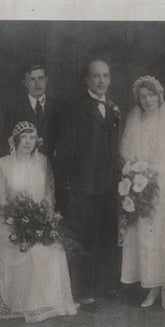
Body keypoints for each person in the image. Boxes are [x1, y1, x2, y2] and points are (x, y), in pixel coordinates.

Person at [0, 121, 78, 323]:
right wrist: (19, 220)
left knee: (51, 250)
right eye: (24, 137)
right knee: (28, 251)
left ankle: (48, 303)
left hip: (40, 222)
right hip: (10, 223)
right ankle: (23, 305)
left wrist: (44, 219)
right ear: (15, 140)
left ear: (37, 141)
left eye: (32, 137)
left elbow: (49, 197)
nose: (28, 142)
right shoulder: (3, 163)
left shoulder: (43, 161)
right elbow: (0, 202)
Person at [120, 75, 165, 310]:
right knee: (147, 235)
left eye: (151, 94)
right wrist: (135, 170)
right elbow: (128, 153)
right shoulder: (134, 119)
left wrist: (155, 169)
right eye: (143, 96)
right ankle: (151, 286)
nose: (148, 100)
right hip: (142, 183)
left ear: (159, 95)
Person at [55, 59, 121, 312]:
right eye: (96, 76)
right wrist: (70, 185)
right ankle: (84, 291)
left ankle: (106, 286)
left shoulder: (114, 107)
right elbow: (66, 151)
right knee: (86, 238)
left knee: (107, 236)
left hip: (110, 186)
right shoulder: (76, 108)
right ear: (87, 80)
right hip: (85, 186)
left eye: (105, 76)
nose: (101, 80)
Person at [3, 64, 66, 162]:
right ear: (25, 83)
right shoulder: (14, 110)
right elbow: (8, 143)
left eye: (41, 78)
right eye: (32, 79)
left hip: (55, 166)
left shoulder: (60, 106)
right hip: (27, 167)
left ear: (46, 81)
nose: (38, 84)